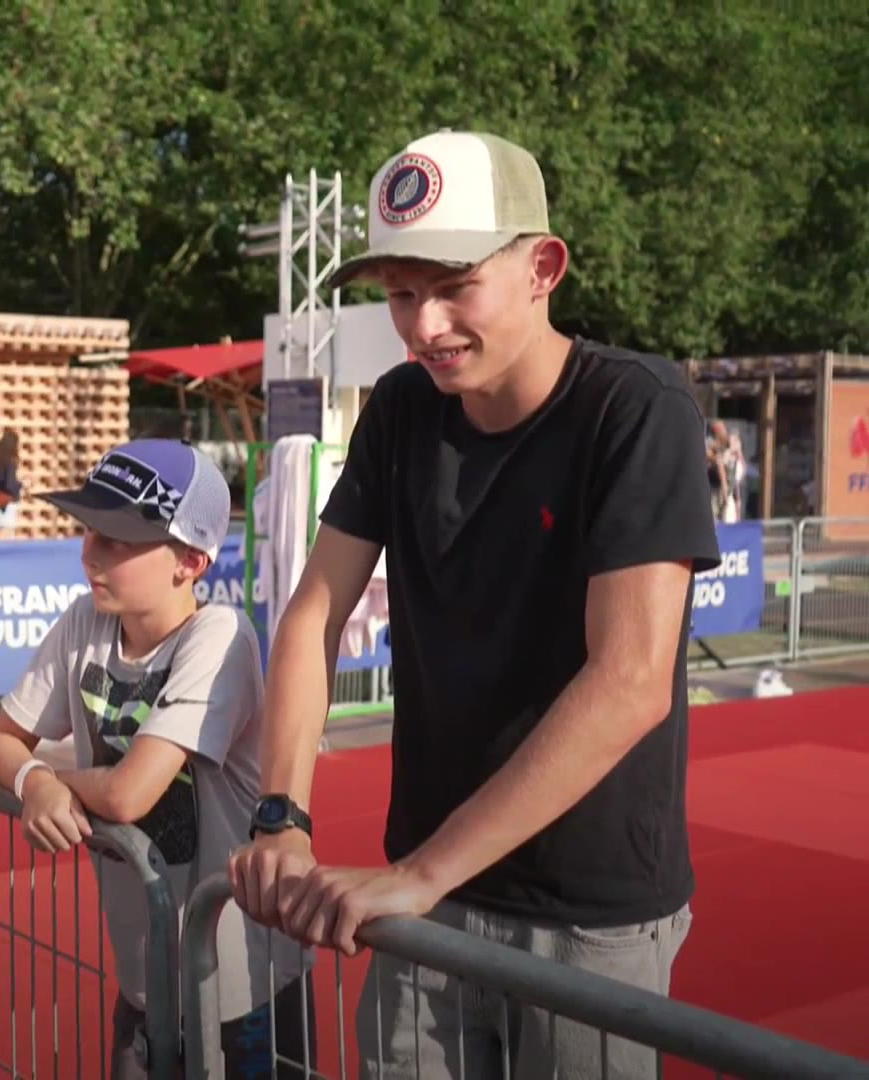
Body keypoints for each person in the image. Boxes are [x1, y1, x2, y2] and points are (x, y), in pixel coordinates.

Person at [227, 130, 720, 1079]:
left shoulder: (637, 408)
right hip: (426, 898)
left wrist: (419, 874)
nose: (424, 324)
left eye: (455, 286)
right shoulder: (402, 411)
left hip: (587, 914)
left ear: (543, 267)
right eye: (403, 293)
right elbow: (313, 615)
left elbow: (628, 681)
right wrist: (282, 815)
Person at [0, 439, 315, 1079]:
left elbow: (132, 794)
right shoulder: (85, 622)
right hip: (145, 980)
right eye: (88, 530)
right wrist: (33, 781)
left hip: (246, 990)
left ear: (189, 561)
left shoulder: (221, 637)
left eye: (118, 539)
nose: (89, 552)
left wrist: (54, 780)